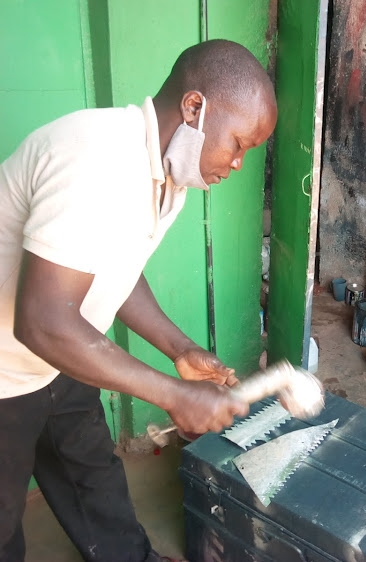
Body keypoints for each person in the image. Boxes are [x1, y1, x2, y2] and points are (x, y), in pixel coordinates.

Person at [0, 39, 278, 562]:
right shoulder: (96, 157)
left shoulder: (168, 174)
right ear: (195, 108)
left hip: (60, 356)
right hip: (7, 366)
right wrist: (173, 395)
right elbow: (39, 320)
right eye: (238, 143)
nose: (239, 163)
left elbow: (117, 270)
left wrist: (179, 347)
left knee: (93, 479)